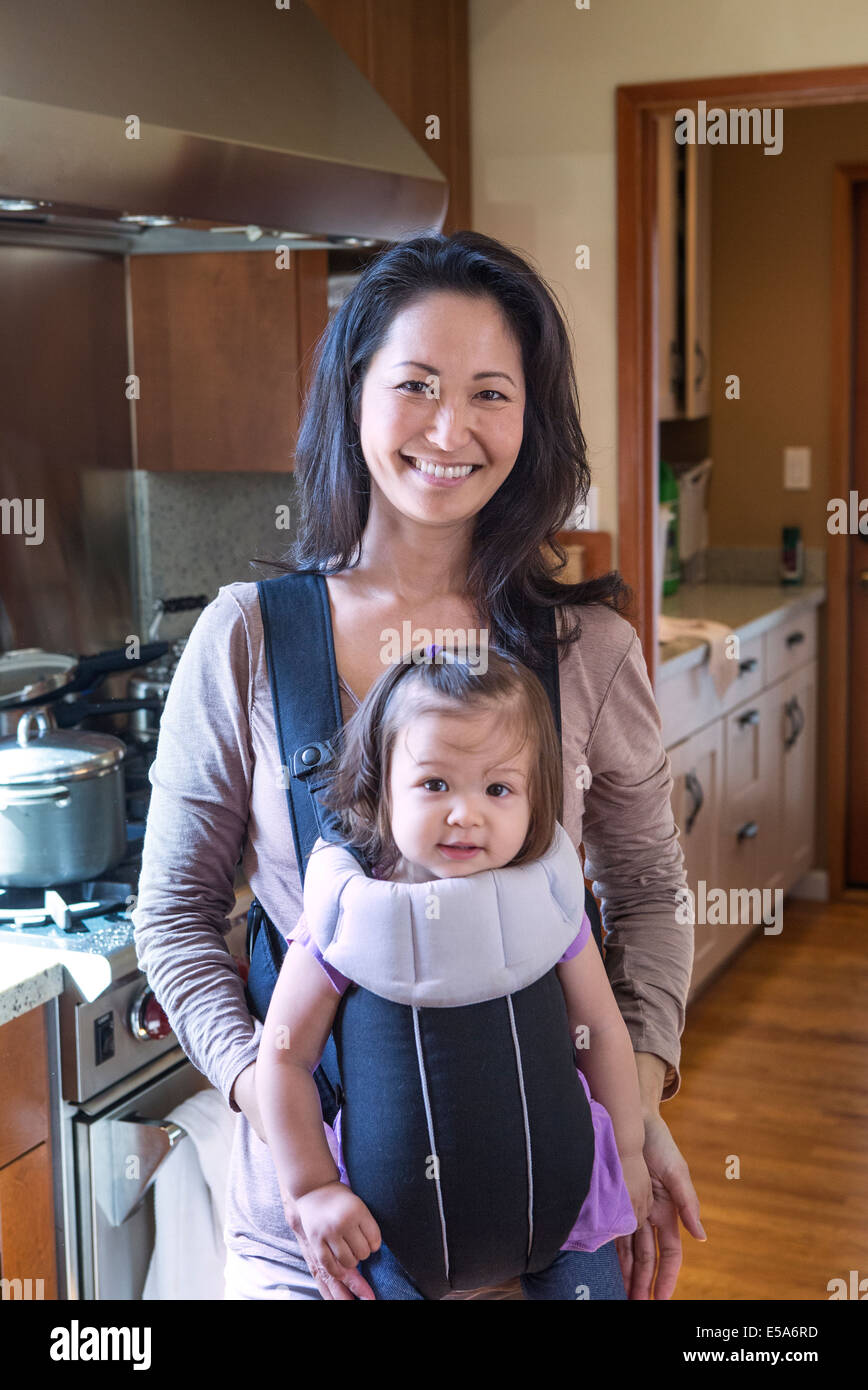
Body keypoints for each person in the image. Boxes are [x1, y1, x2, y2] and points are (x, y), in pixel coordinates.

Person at [132, 229, 706, 1301]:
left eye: (492, 392)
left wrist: (638, 1110)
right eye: (417, 385)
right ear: (355, 393)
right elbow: (172, 917)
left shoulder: (588, 650)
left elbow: (649, 893)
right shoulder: (248, 638)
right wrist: (275, 1101)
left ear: (529, 419)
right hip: (323, 1248)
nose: (452, 427)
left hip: (555, 1213)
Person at [256, 641, 646, 1300]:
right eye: (435, 783)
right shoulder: (344, 916)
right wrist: (312, 1186)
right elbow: (284, 1057)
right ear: (382, 791)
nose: (465, 813)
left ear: (535, 801)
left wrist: (631, 1154)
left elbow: (603, 1032)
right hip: (386, 1235)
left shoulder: (550, 906)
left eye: (498, 788)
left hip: (572, 1212)